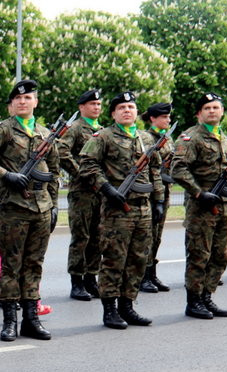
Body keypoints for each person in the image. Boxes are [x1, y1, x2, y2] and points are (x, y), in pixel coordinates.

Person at [0, 79, 59, 342]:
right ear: (11, 105)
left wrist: (52, 203)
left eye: (28, 97)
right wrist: (5, 175)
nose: (23, 101)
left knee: (34, 265)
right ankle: (10, 321)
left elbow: (53, 172)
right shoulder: (2, 130)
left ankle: (32, 319)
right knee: (11, 266)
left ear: (35, 102)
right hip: (13, 209)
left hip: (41, 209)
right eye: (18, 99)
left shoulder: (45, 134)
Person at [79, 91, 164, 329]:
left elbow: (154, 171)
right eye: (122, 107)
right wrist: (106, 188)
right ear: (114, 113)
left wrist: (158, 200)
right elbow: (87, 165)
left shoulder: (146, 138)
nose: (127, 110)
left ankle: (128, 306)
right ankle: (110, 310)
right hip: (117, 209)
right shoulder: (103, 136)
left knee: (138, 260)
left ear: (137, 112)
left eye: (131, 107)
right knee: (114, 260)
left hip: (143, 209)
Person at [171, 93, 227, 319]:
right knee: (199, 255)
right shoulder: (191, 137)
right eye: (207, 108)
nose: (212, 111)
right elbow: (177, 169)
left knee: (220, 255)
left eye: (216, 107)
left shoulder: (223, 138)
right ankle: (194, 301)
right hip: (201, 207)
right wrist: (198, 192)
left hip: (223, 205)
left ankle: (207, 296)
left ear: (222, 111)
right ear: (199, 114)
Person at [59, 89, 103, 301]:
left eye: (98, 104)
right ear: (82, 107)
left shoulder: (102, 131)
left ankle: (91, 279)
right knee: (81, 237)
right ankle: (76, 281)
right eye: (92, 104)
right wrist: (80, 172)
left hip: (100, 191)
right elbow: (61, 151)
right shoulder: (75, 129)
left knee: (98, 236)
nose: (96, 107)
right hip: (82, 191)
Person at [139, 102, 174, 293]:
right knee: (148, 235)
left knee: (157, 235)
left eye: (168, 117)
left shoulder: (166, 138)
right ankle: (143, 276)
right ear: (153, 118)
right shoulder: (145, 137)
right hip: (151, 192)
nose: (168, 120)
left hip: (164, 190)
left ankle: (152, 273)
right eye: (164, 117)